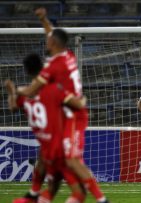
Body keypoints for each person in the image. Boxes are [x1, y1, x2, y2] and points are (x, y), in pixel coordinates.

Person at [16, 8, 108, 203]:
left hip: (72, 113)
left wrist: (15, 91)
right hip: (63, 112)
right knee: (49, 156)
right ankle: (36, 195)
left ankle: (101, 199)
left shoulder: (53, 66)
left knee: (70, 159)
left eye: (49, 39)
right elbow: (52, 33)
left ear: (52, 43)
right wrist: (44, 20)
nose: (46, 40)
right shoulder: (67, 55)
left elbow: (32, 90)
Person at [7, 53, 87, 203]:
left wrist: (12, 91)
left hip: (45, 146)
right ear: (43, 67)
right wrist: (80, 99)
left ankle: (31, 195)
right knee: (79, 191)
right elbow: (77, 104)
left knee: (49, 188)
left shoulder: (24, 94)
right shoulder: (52, 89)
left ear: (27, 71)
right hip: (61, 145)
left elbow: (12, 107)